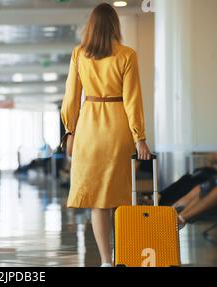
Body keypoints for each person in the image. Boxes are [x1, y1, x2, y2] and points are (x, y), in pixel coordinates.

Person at [60, 3, 151, 267]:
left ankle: (105, 261)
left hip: (88, 130)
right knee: (122, 197)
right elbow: (133, 100)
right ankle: (125, 254)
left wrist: (70, 131)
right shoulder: (127, 55)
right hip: (118, 129)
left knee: (98, 200)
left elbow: (71, 98)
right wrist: (139, 137)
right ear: (115, 25)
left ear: (91, 26)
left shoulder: (79, 54)